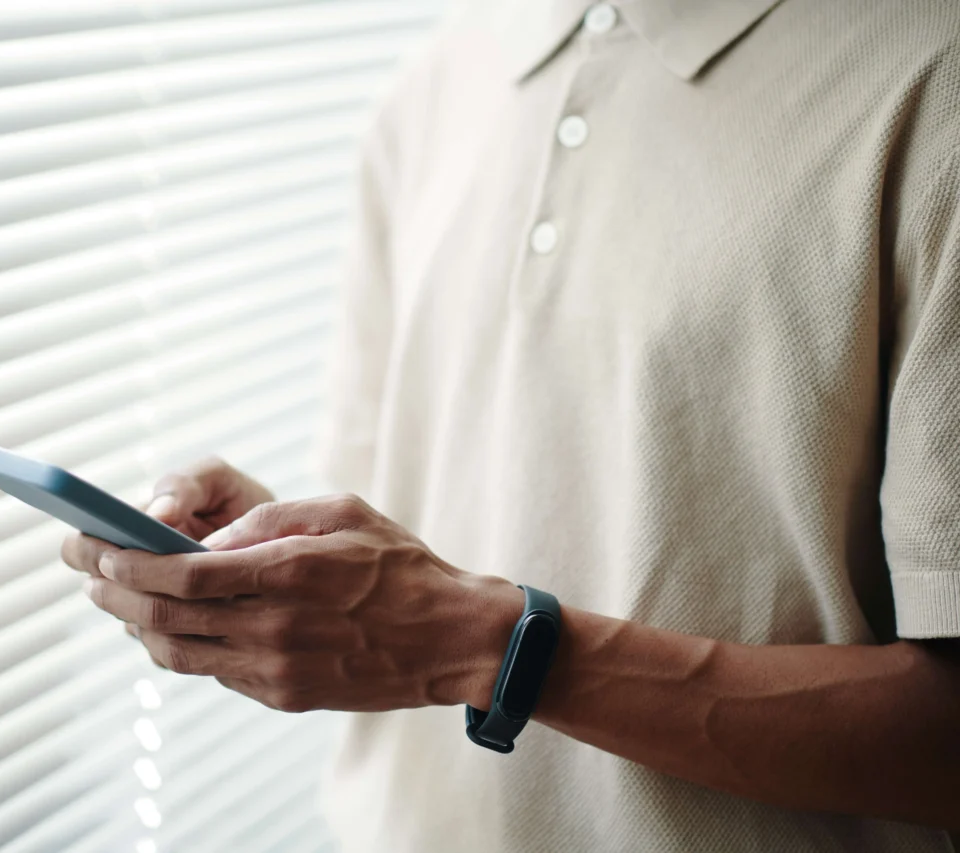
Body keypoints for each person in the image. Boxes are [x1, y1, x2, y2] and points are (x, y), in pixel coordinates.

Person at [61, 0, 960, 849]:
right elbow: (421, 515)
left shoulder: (933, 75)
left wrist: (493, 646)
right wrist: (271, 558)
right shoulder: (440, 74)